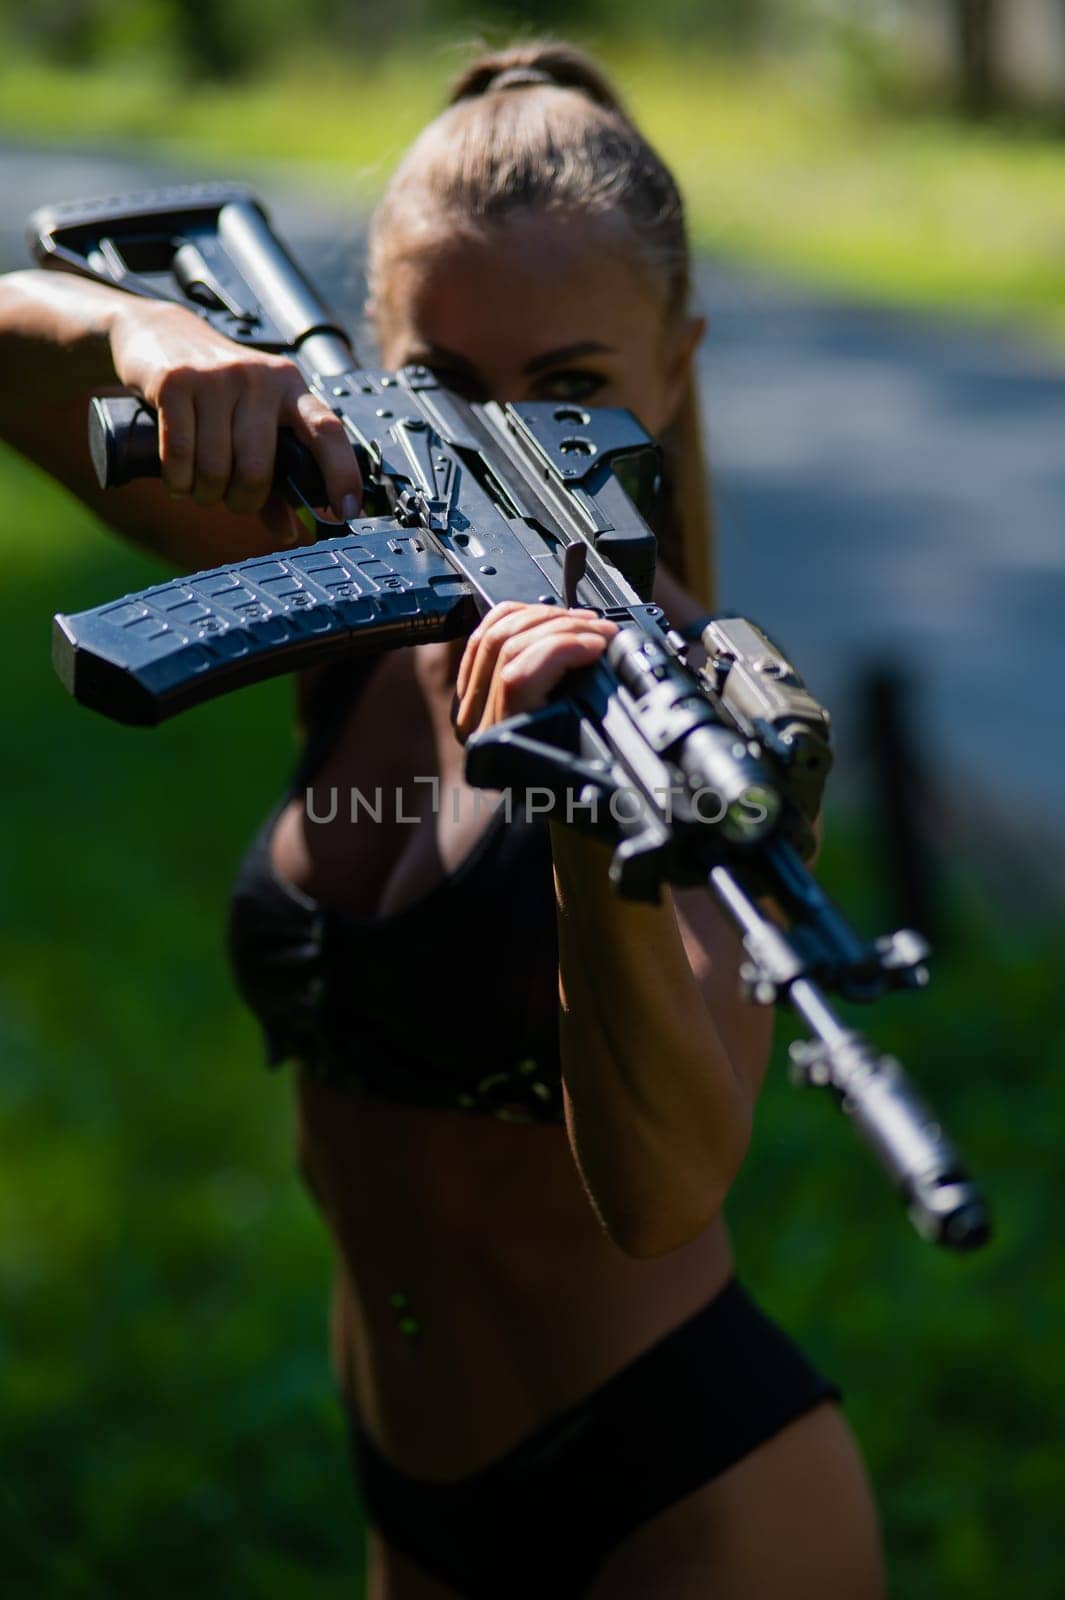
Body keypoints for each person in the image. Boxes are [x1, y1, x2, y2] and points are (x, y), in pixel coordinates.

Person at [0, 42, 885, 1599]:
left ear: (674, 364)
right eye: (446, 383)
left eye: (573, 385)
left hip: (681, 1506)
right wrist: (136, 331)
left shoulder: (708, 719)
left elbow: (665, 1189)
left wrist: (580, 839)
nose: (504, 437)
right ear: (367, 367)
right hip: (409, 1496)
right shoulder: (355, 568)